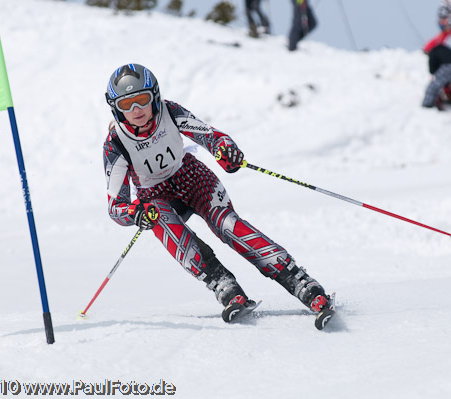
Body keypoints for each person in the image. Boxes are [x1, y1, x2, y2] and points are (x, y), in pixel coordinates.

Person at [102, 63, 333, 326]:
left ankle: (298, 280)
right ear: (116, 108)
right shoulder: (115, 144)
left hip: (190, 177)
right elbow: (115, 207)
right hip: (155, 196)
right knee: (159, 218)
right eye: (126, 104)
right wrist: (135, 212)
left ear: (154, 96)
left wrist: (225, 150)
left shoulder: (169, 111)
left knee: (227, 226)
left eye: (142, 100)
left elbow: (210, 136)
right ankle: (223, 284)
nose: (136, 110)